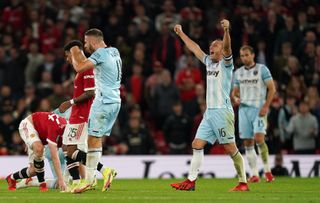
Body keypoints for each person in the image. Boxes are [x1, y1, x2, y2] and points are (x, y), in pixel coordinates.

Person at [170, 20, 249, 192]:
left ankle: (243, 182)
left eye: (215, 45)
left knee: (230, 149)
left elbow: (228, 48)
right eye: (211, 45)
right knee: (197, 144)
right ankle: (191, 182)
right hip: (209, 112)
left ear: (222, 50)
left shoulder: (226, 64)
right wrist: (181, 33)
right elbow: (195, 48)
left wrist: (227, 30)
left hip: (222, 112)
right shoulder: (209, 62)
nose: (211, 47)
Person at [68, 28, 121, 193]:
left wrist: (74, 51)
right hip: (115, 100)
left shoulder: (100, 54)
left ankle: (89, 181)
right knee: (95, 139)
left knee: (92, 140)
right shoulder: (114, 51)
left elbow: (80, 67)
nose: (85, 46)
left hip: (103, 101)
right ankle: (93, 178)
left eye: (85, 42)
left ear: (92, 41)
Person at [58, 40, 111, 192]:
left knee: (70, 149)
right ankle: (81, 180)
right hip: (76, 115)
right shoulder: (80, 70)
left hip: (82, 116)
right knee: (68, 149)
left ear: (75, 52)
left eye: (68, 55)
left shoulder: (87, 68)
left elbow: (90, 93)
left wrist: (70, 102)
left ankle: (103, 171)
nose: (68, 59)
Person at [231, 45, 276, 183]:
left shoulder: (262, 69)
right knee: (248, 142)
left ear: (253, 55)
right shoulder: (238, 73)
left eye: (246, 55)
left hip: (258, 108)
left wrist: (266, 106)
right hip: (244, 110)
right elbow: (235, 91)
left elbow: (272, 89)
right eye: (242, 56)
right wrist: (235, 97)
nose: (244, 58)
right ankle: (255, 174)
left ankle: (268, 171)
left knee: (259, 138)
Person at [6, 112, 67, 192]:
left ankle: (12, 178)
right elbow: (54, 157)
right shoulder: (56, 129)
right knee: (39, 148)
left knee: (33, 171)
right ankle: (42, 184)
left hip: (39, 136)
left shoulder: (66, 132)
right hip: (29, 125)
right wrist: (61, 180)